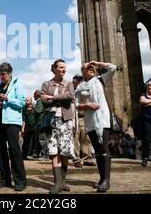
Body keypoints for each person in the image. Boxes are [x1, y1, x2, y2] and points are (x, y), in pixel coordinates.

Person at [75, 61, 117, 192]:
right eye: (87, 67)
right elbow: (76, 104)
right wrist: (86, 106)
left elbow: (113, 68)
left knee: (103, 148)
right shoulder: (80, 86)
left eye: (91, 67)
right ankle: (101, 178)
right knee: (98, 150)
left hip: (102, 119)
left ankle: (106, 181)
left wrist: (98, 63)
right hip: (89, 121)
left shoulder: (100, 80)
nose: (90, 68)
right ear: (83, 71)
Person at [0, 62, 27, 191]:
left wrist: (8, 99)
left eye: (3, 74)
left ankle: (20, 181)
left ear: (10, 73)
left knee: (14, 151)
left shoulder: (17, 84)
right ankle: (5, 180)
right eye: (0, 74)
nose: (1, 76)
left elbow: (21, 102)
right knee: (0, 151)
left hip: (12, 121)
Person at [41, 59, 75, 194]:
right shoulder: (46, 84)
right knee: (54, 151)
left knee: (64, 152)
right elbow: (43, 99)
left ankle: (63, 181)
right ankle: (57, 183)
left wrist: (52, 98)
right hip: (51, 121)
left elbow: (70, 97)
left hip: (65, 120)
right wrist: (50, 97)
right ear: (54, 68)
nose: (63, 69)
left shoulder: (69, 84)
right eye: (61, 67)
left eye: (64, 67)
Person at [72, 74, 94, 168]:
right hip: (75, 118)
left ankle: (87, 158)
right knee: (75, 138)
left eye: (76, 83)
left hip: (85, 117)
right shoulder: (71, 92)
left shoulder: (86, 92)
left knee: (86, 139)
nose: (75, 85)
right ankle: (76, 159)